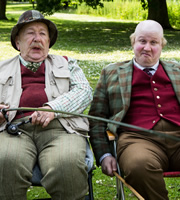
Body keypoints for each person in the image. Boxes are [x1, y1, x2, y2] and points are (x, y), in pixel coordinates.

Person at [0, 10, 92, 200]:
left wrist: (52, 109)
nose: (37, 38)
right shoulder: (2, 68)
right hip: (14, 130)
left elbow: (84, 92)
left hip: (61, 129)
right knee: (5, 161)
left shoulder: (68, 64)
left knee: (66, 164)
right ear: (18, 42)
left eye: (43, 33)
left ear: (49, 42)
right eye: (30, 33)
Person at [89, 20, 180, 200]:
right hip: (137, 140)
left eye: (154, 42)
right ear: (133, 43)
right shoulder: (111, 73)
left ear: (162, 45)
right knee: (138, 165)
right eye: (142, 41)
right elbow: (97, 118)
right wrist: (104, 154)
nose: (147, 47)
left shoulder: (177, 70)